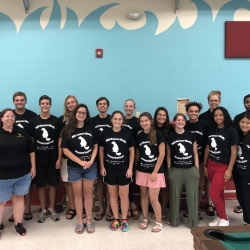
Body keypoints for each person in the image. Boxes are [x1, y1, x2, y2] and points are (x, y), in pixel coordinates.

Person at [61, 104, 98, 234]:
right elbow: (65, 150)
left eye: (84, 112)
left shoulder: (91, 128)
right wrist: (80, 161)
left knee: (88, 194)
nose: (81, 114)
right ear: (75, 113)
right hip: (74, 167)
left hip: (90, 166)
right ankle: (80, 222)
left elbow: (95, 146)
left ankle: (88, 220)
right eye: (79, 112)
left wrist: (91, 160)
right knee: (77, 195)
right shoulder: (67, 130)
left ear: (86, 115)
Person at [0, 108, 36, 239]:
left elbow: (31, 151)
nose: (10, 118)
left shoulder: (22, 132)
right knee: (1, 202)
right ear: (1, 118)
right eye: (7, 116)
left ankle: (18, 224)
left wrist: (33, 167)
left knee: (19, 198)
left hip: (23, 174)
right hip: (2, 176)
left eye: (12, 116)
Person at [99, 111, 135, 232]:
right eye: (115, 119)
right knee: (113, 195)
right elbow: (101, 150)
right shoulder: (105, 132)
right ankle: (116, 219)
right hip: (109, 169)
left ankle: (124, 220)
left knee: (124, 196)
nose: (117, 121)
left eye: (120, 119)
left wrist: (130, 168)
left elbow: (132, 151)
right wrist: (102, 167)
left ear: (122, 121)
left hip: (124, 169)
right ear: (111, 120)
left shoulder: (127, 132)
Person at [203, 107, 238, 226]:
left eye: (221, 115)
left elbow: (234, 152)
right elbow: (208, 147)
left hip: (223, 166)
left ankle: (224, 219)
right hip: (211, 164)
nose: (218, 117)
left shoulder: (231, 131)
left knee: (213, 194)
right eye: (216, 115)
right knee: (219, 194)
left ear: (225, 116)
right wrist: (205, 164)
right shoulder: (212, 130)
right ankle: (220, 216)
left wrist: (230, 169)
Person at [29, 95, 62, 223]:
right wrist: (32, 162)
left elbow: (60, 140)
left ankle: (52, 209)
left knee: (53, 184)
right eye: (42, 103)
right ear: (39, 105)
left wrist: (59, 158)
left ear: (50, 105)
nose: (45, 105)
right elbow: (31, 142)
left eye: (47, 103)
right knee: (41, 185)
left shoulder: (56, 121)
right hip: (39, 160)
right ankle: (43, 210)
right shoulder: (33, 121)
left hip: (53, 158)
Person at [7, 92, 36, 223]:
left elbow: (34, 137)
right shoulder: (9, 116)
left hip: (27, 155)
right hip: (11, 159)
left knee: (27, 185)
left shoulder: (32, 116)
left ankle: (28, 210)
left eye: (22, 100)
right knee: (13, 187)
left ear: (26, 101)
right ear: (13, 102)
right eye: (17, 100)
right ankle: (15, 213)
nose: (19, 102)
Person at [166, 113, 200, 228]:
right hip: (176, 170)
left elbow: (195, 153)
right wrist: (170, 170)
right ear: (174, 122)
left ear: (185, 122)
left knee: (192, 197)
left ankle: (193, 220)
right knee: (175, 196)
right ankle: (174, 219)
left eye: (182, 120)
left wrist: (196, 169)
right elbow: (169, 155)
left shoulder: (191, 135)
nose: (180, 122)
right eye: (178, 120)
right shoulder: (170, 137)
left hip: (191, 170)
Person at [136, 112, 165, 232]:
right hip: (142, 170)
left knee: (153, 198)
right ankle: (145, 218)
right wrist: (134, 168)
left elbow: (162, 153)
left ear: (151, 121)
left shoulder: (158, 134)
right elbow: (138, 153)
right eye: (141, 121)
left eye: (146, 121)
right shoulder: (139, 136)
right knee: (143, 196)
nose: (144, 123)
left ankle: (159, 221)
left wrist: (155, 171)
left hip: (155, 172)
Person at [185, 102, 210, 220]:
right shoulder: (184, 125)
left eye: (196, 111)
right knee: (189, 186)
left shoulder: (205, 125)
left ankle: (194, 209)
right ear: (187, 112)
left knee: (200, 186)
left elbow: (208, 145)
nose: (193, 113)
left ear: (199, 112)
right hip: (185, 162)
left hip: (200, 161)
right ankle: (189, 208)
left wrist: (204, 162)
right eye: (191, 111)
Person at [199, 90, 222, 216]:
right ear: (208, 102)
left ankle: (216, 203)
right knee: (205, 179)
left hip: (220, 152)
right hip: (206, 151)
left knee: (217, 180)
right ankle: (208, 203)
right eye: (211, 100)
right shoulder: (203, 117)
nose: (214, 102)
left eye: (216, 100)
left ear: (219, 101)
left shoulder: (223, 115)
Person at [92, 97, 113, 222]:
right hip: (97, 156)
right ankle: (101, 208)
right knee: (100, 183)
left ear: (108, 106)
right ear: (97, 106)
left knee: (109, 184)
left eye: (104, 104)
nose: (102, 105)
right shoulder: (92, 121)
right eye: (100, 104)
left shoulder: (112, 119)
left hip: (111, 157)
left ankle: (109, 209)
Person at [58, 95, 78, 220]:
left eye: (73, 102)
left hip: (82, 157)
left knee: (80, 183)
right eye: (68, 103)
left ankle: (82, 207)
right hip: (66, 157)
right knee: (69, 183)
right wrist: (59, 157)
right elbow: (60, 140)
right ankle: (72, 207)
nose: (71, 104)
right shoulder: (61, 120)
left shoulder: (83, 117)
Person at [152, 107, 171, 220]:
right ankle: (155, 207)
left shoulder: (170, 129)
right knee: (154, 188)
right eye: (160, 114)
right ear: (155, 116)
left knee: (165, 188)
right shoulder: (151, 129)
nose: (162, 117)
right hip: (152, 163)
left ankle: (163, 209)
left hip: (168, 162)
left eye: (164, 115)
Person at [123, 99, 140, 220]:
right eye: (126, 106)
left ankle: (131, 202)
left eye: (131, 106)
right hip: (121, 156)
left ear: (134, 108)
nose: (128, 108)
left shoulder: (137, 122)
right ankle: (130, 204)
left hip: (134, 154)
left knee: (131, 180)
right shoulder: (120, 120)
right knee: (125, 181)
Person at [232, 94, 250, 213]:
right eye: (247, 102)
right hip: (239, 167)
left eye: (247, 123)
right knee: (241, 193)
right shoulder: (238, 117)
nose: (244, 125)